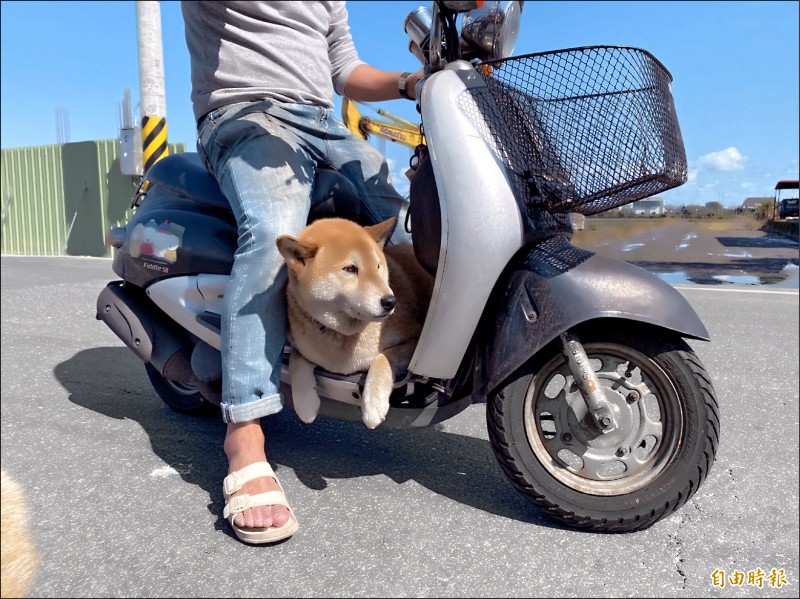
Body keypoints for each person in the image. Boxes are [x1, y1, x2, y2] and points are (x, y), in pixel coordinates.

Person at [181, 1, 423, 544]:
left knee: (409, 226)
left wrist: (414, 81)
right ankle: (244, 433)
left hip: (322, 121)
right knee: (274, 239)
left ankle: (399, 352)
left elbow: (346, 71)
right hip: (247, 114)